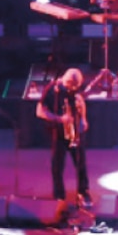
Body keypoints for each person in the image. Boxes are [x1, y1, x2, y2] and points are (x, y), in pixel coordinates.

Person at [36, 68, 92, 207]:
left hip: (75, 132)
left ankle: (83, 192)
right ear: (66, 80)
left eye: (76, 86)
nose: (73, 88)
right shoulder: (52, 89)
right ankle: (59, 196)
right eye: (71, 85)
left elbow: (80, 101)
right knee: (57, 165)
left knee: (80, 163)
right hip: (58, 132)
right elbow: (40, 111)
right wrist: (60, 119)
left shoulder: (74, 88)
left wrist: (84, 119)